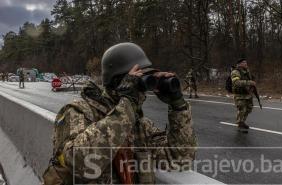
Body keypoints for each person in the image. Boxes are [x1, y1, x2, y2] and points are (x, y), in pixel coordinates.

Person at [43, 43, 198, 185]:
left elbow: (180, 159)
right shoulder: (79, 112)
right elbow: (79, 163)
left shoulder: (140, 125)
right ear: (118, 80)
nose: (142, 88)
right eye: (138, 78)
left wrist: (178, 106)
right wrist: (127, 104)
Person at [231, 58, 256, 133]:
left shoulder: (247, 71)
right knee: (242, 109)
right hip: (239, 95)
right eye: (244, 62)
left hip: (247, 94)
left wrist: (252, 87)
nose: (246, 64)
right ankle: (239, 122)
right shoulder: (235, 72)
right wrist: (249, 82)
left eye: (246, 62)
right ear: (239, 64)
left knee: (249, 109)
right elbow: (236, 82)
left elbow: (251, 80)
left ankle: (242, 121)